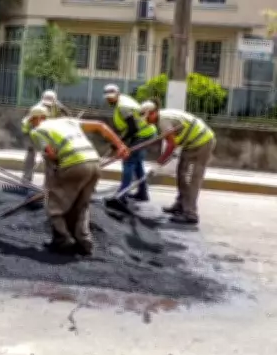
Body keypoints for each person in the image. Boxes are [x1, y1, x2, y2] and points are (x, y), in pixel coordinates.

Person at [27, 104, 130, 256]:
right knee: (81, 205)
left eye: (32, 120)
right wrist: (120, 146)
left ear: (38, 119)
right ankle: (84, 242)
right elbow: (100, 126)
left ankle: (62, 240)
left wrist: (56, 169)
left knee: (53, 203)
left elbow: (51, 154)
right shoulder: (67, 121)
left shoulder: (37, 131)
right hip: (94, 163)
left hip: (74, 164)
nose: (31, 124)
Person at [141, 100, 215, 225]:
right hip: (191, 143)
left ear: (153, 113)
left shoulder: (163, 121)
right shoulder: (162, 118)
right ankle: (180, 205)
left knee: (189, 179)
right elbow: (173, 141)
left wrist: (159, 163)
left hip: (201, 143)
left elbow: (171, 145)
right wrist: (162, 160)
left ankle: (190, 213)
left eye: (147, 118)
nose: (147, 121)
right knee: (182, 175)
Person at [102, 84, 157, 203]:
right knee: (137, 164)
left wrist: (118, 143)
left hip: (142, 134)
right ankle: (142, 193)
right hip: (146, 133)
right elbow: (129, 127)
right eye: (108, 97)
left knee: (128, 160)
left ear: (117, 94)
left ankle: (122, 195)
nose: (110, 99)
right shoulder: (123, 100)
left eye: (112, 97)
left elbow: (133, 128)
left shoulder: (123, 107)